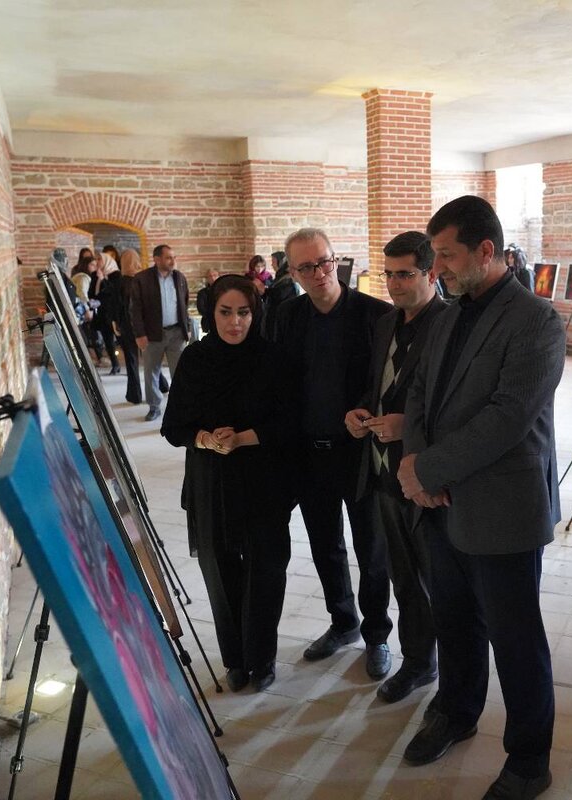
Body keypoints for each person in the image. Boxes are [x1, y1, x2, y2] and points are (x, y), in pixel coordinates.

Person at [397, 195, 565, 800]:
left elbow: (507, 417)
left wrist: (428, 469)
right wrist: (419, 466)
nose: (436, 267)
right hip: (441, 501)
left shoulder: (537, 320)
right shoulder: (448, 314)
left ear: (486, 251)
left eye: (446, 255)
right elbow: (419, 393)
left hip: (501, 508)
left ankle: (529, 761)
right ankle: (457, 710)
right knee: (453, 618)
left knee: (515, 640)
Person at [161, 275, 297, 693]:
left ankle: (262, 657)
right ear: (211, 313)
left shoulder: (273, 357)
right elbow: (174, 426)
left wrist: (242, 438)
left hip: (263, 476)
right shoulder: (195, 358)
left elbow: (290, 423)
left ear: (255, 314)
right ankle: (235, 658)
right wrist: (206, 439)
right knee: (219, 567)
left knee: (265, 567)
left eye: (243, 312)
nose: (235, 322)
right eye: (226, 312)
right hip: (212, 478)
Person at [270, 228, 395, 680]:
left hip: (359, 452)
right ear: (292, 272)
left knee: (371, 548)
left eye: (324, 261)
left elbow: (388, 381)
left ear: (336, 260)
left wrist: (366, 411)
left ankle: (377, 634)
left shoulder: (376, 314)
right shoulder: (285, 316)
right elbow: (277, 381)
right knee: (325, 545)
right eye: (306, 266)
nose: (319, 272)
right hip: (309, 453)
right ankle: (344, 622)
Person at [344, 231, 447, 704]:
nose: (393, 284)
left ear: (431, 273)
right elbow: (377, 386)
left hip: (427, 474)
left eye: (404, 274)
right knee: (402, 575)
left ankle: (445, 666)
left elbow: (458, 405)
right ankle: (419, 662)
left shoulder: (449, 324)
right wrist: (358, 411)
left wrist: (409, 425)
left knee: (436, 579)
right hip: (383, 470)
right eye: (388, 274)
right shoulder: (386, 322)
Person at [128, 244, 190, 422]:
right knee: (151, 372)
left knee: (180, 372)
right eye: (168, 257)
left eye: (174, 257)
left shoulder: (179, 277)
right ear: (156, 259)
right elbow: (135, 309)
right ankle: (154, 407)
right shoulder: (142, 279)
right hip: (152, 334)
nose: (173, 261)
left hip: (176, 333)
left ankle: (180, 408)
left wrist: (186, 328)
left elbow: (184, 302)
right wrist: (139, 334)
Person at [117, 250, 166, 404]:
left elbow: (118, 307)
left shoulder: (121, 282)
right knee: (150, 359)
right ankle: (162, 385)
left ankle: (135, 395)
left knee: (132, 361)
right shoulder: (143, 280)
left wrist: (117, 324)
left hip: (127, 326)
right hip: (143, 326)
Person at [91, 252, 121, 373]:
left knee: (120, 339)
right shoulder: (95, 275)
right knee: (107, 340)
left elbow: (112, 292)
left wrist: (103, 279)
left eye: (100, 259)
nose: (97, 261)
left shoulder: (115, 275)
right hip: (101, 312)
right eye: (97, 259)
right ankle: (115, 364)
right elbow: (92, 293)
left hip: (113, 312)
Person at [263, 250, 298, 339]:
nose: (272, 265)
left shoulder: (288, 279)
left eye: (274, 262)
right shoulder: (280, 277)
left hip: (282, 318)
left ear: (281, 262)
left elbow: (279, 295)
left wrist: (264, 291)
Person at [195, 269, 221, 335]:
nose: (212, 278)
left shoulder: (225, 291)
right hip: (208, 324)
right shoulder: (202, 293)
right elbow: (201, 309)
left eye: (215, 275)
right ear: (207, 279)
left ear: (219, 276)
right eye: (210, 276)